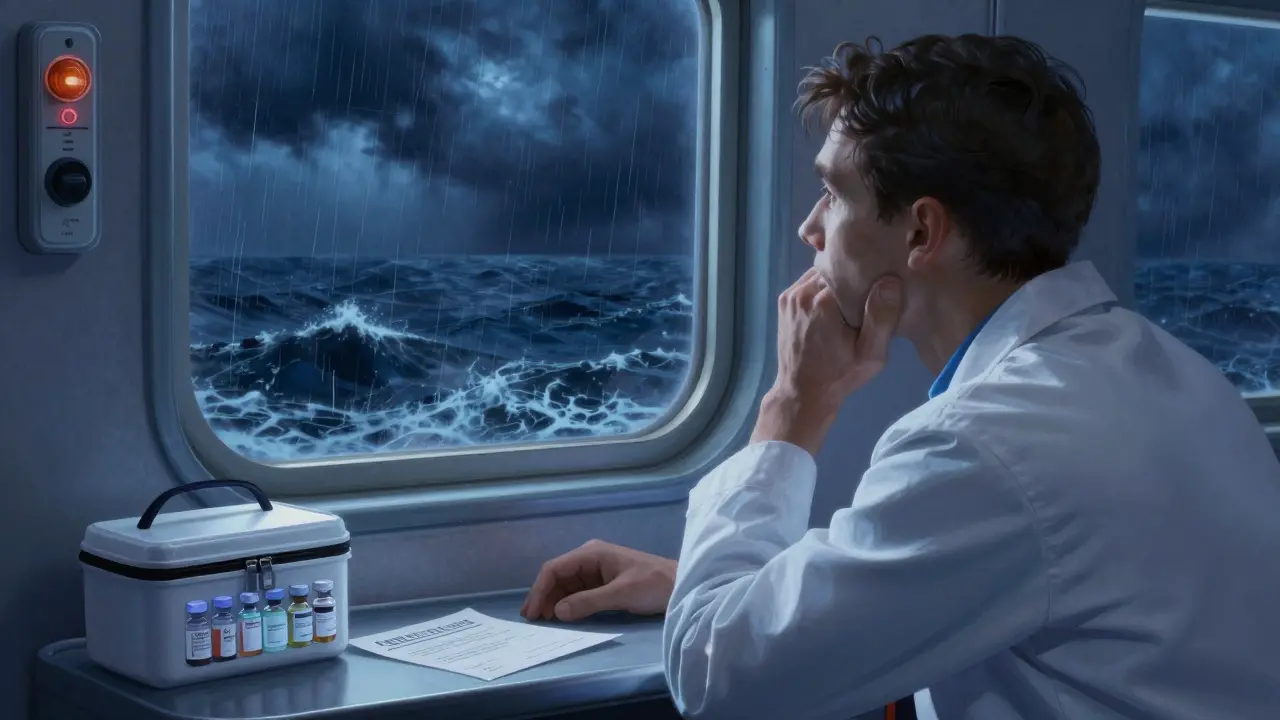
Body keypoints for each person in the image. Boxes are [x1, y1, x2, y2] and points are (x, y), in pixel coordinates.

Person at [521, 33, 1280, 720]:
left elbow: (718, 682)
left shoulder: (981, 445)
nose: (809, 229)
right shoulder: (1176, 376)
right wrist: (700, 578)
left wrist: (792, 406)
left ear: (921, 231)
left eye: (833, 193)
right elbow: (996, 558)